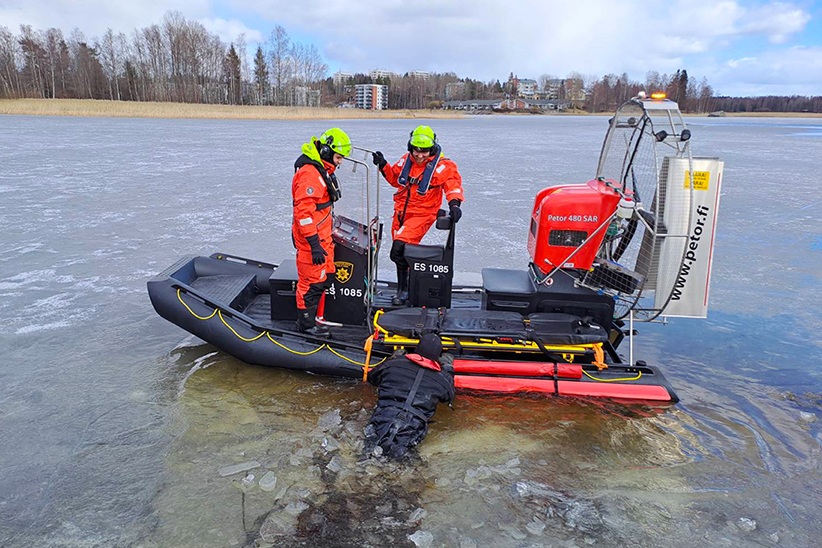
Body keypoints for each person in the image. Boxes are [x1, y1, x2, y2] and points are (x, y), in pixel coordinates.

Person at [372, 125, 465, 305]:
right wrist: (383, 165)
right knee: (400, 255)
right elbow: (394, 179)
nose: (420, 155)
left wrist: (455, 204)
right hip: (400, 214)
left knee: (399, 249)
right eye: (416, 151)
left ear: (432, 148)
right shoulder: (406, 161)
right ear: (411, 147)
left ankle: (406, 289)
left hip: (423, 215)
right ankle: (404, 289)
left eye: (424, 151)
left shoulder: (444, 166)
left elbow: (453, 185)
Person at [291, 128, 351, 336]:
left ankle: (316, 318)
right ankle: (305, 325)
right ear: (326, 152)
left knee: (324, 280)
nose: (340, 162)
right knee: (310, 284)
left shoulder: (322, 171)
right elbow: (304, 214)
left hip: (323, 236)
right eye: (338, 157)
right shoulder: (310, 175)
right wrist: (314, 244)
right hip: (311, 241)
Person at [365, 333, 455, 458]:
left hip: (383, 418)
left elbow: (372, 378)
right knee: (402, 458)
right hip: (412, 427)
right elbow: (448, 397)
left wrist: (393, 358)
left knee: (369, 453)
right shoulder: (442, 380)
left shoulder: (393, 364)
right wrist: (448, 369)